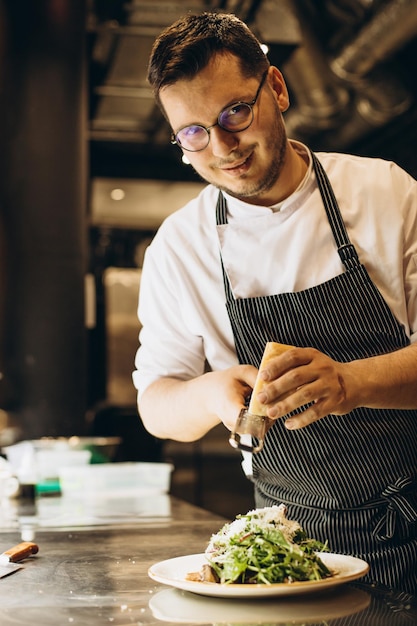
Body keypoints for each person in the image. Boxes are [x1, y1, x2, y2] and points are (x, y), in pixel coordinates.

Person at [133, 12, 417, 593]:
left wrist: (350, 383)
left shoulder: (386, 191)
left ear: (278, 89)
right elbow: (156, 401)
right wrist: (209, 393)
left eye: (235, 112)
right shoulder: (179, 247)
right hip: (292, 545)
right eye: (193, 133)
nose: (223, 147)